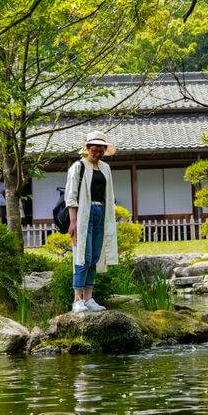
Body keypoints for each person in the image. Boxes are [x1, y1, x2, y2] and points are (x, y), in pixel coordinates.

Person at [64, 131, 119, 313]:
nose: (98, 153)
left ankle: (89, 298)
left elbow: (108, 196)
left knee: (95, 256)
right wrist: (73, 222)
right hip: (82, 214)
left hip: (100, 212)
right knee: (82, 256)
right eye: (95, 149)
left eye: (102, 150)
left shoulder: (105, 168)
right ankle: (77, 299)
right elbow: (71, 197)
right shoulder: (78, 167)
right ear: (87, 148)